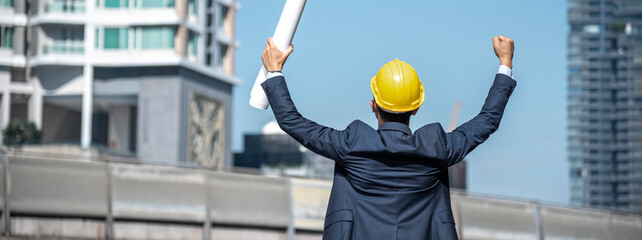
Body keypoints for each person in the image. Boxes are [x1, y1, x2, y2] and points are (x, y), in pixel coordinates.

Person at [259, 35, 516, 239]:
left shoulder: (352, 145)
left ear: (373, 105)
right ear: (416, 107)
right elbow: (487, 120)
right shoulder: (438, 147)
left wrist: (274, 71)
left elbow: (293, 122)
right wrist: (505, 63)